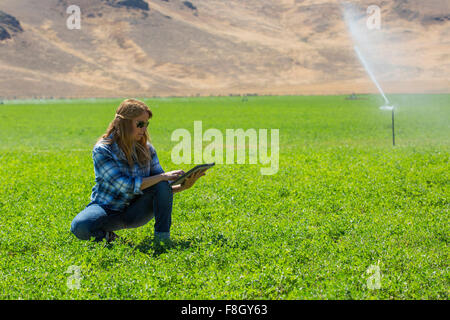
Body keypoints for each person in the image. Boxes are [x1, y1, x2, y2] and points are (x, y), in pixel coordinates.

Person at [70, 98, 205, 244]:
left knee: (161, 183)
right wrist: (163, 177)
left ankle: (162, 241)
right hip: (107, 208)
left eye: (146, 124)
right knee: (80, 226)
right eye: (140, 124)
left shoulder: (147, 149)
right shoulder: (103, 150)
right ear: (124, 123)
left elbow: (160, 189)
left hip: (136, 211)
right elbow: (125, 185)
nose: (144, 129)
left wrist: (182, 187)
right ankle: (110, 238)